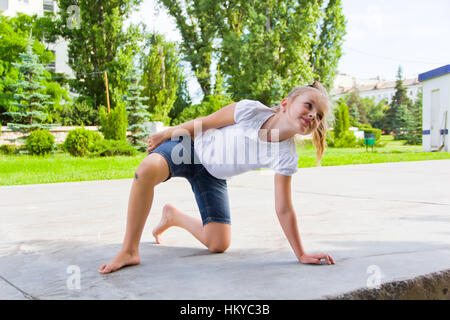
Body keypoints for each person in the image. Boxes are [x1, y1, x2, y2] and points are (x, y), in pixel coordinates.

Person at [98, 80, 335, 274]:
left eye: (320, 115)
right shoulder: (249, 110)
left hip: (213, 176)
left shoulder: (285, 155)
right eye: (309, 106)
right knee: (146, 171)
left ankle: (173, 216)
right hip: (190, 149)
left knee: (218, 243)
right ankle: (130, 250)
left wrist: (301, 253)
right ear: (285, 104)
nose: (314, 115)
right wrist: (168, 133)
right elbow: (205, 123)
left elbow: (283, 208)